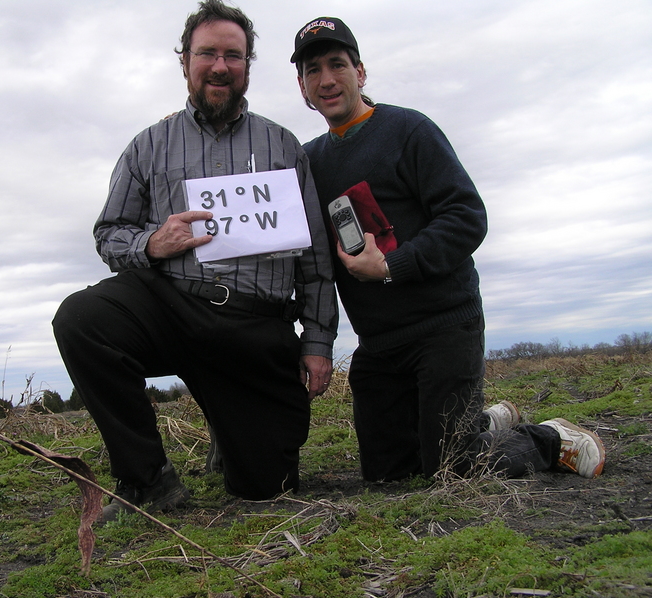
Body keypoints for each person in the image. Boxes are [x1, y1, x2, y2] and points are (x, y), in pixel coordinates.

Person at [52, 0, 338, 521]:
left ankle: (231, 431)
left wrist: (318, 343)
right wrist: (152, 244)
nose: (220, 65)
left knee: (266, 489)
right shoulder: (148, 146)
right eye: (207, 53)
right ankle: (147, 479)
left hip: (255, 324)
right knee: (81, 319)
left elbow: (316, 259)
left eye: (234, 55)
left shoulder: (284, 147)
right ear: (185, 61)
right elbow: (108, 234)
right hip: (171, 305)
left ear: (248, 66)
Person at [289, 17, 605, 482]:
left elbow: (467, 218)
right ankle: (485, 422)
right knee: (387, 477)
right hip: (377, 345)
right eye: (313, 70)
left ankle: (550, 439)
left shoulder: (409, 130)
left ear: (360, 71)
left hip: (443, 327)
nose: (327, 79)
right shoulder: (309, 161)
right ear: (302, 86)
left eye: (338, 64)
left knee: (453, 468)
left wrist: (392, 264)